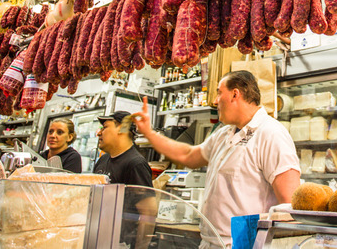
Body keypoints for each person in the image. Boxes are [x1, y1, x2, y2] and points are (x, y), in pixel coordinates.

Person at [132, 70, 301, 249]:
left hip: (244, 245)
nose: (215, 101)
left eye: (219, 92)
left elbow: (290, 205)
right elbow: (188, 156)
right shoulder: (223, 134)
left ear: (235, 94)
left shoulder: (271, 133)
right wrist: (149, 134)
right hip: (210, 243)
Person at [93, 111, 153, 186]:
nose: (99, 133)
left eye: (104, 127)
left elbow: (145, 197)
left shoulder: (136, 164)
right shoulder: (103, 160)